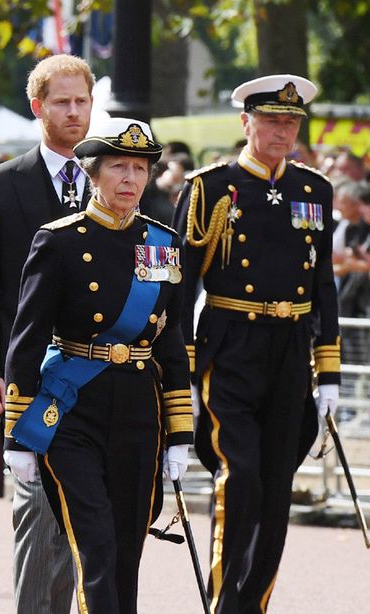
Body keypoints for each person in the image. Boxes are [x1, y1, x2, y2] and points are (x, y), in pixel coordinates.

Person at [5, 117, 192, 613]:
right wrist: (15, 433)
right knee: (97, 545)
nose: (129, 179)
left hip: (138, 408)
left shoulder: (163, 243)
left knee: (127, 550)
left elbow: (171, 339)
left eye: (139, 168)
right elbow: (27, 336)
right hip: (73, 409)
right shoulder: (60, 239)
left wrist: (180, 432)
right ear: (92, 173)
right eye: (117, 167)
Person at [173, 74, 339, 613]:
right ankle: (225, 602)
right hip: (232, 343)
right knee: (239, 473)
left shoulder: (314, 189)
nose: (282, 130)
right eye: (271, 120)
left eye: (290, 122)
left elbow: (323, 286)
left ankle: (253, 605)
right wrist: (183, 369)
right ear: (245, 123)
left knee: (275, 485)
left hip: (290, 347)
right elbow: (182, 283)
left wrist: (329, 370)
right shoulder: (211, 187)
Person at [0, 53, 92, 610]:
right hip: (29, 377)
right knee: (37, 516)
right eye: (61, 102)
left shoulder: (115, 174)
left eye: (82, 101)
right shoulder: (1, 184)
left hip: (100, 375)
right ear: (37, 107)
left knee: (90, 525)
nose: (73, 112)